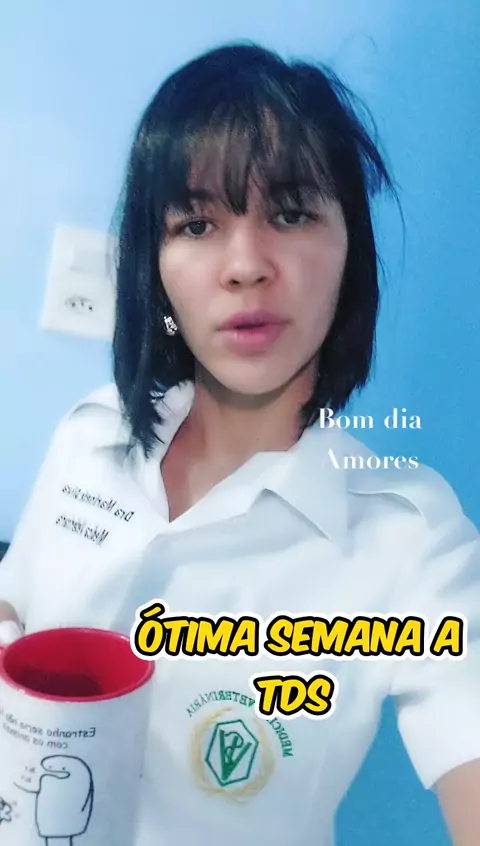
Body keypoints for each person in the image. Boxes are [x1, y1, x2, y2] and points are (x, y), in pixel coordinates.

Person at [0, 42, 479, 846]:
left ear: (350, 251)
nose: (246, 266)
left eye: (291, 214)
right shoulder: (89, 434)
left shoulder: (411, 536)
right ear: (155, 268)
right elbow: (18, 599)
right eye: (196, 223)